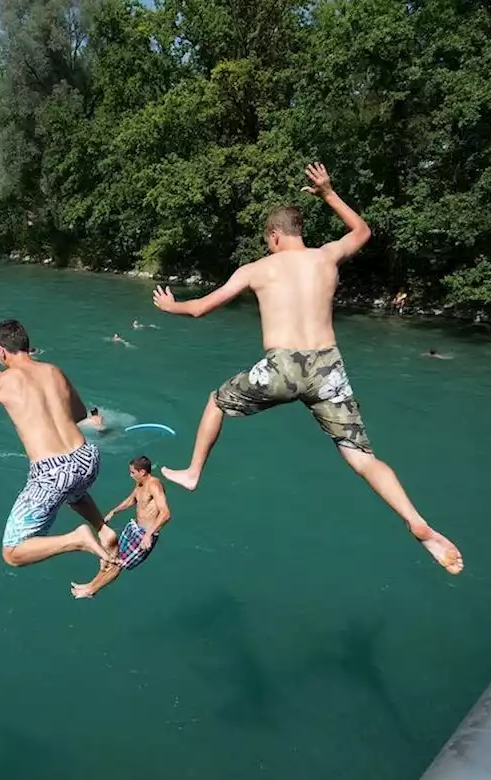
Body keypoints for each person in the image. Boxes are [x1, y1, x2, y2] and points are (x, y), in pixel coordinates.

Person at [152, 162, 463, 575]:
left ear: (275, 236)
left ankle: (193, 473)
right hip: (327, 368)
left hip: (281, 367)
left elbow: (200, 309)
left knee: (215, 401)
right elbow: (363, 232)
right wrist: (329, 192)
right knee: (361, 456)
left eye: (268, 240)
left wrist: (170, 305)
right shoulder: (326, 256)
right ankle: (413, 518)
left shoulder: (257, 269)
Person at [0, 320, 117, 567]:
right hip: (86, 458)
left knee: (13, 552)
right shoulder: (54, 371)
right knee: (72, 490)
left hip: (52, 471)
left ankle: (78, 539)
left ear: (1, 351)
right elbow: (81, 415)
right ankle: (103, 529)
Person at [72, 456, 171, 599]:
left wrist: (148, 535)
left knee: (119, 564)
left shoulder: (154, 485)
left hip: (145, 534)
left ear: (142, 472)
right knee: (112, 557)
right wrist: (114, 511)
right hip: (135, 527)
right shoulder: (140, 484)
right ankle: (90, 585)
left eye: (132, 472)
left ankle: (91, 591)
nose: (130, 475)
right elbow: (131, 499)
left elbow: (166, 513)